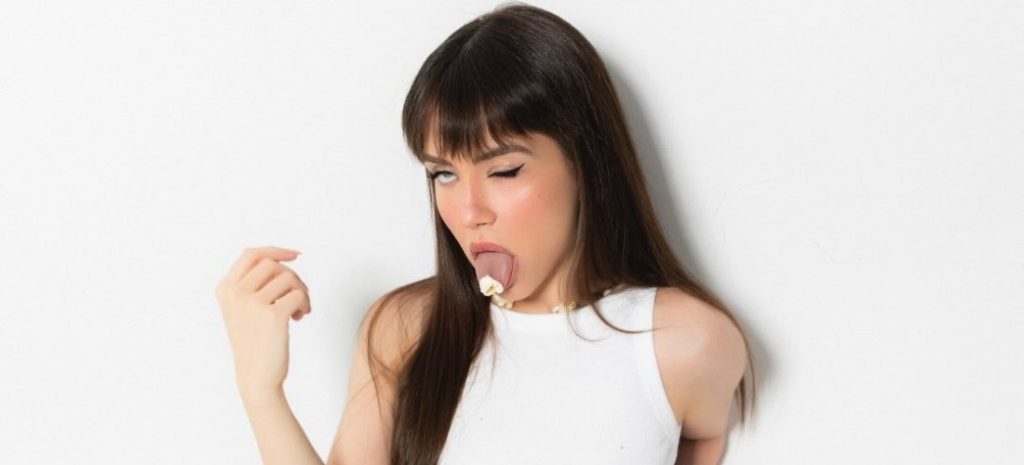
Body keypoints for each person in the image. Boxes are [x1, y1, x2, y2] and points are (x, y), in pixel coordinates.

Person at [216, 3, 757, 465]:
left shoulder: (686, 343)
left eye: (504, 171)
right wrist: (261, 392)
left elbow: (703, 434)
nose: (469, 211)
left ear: (587, 165)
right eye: (443, 174)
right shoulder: (404, 328)